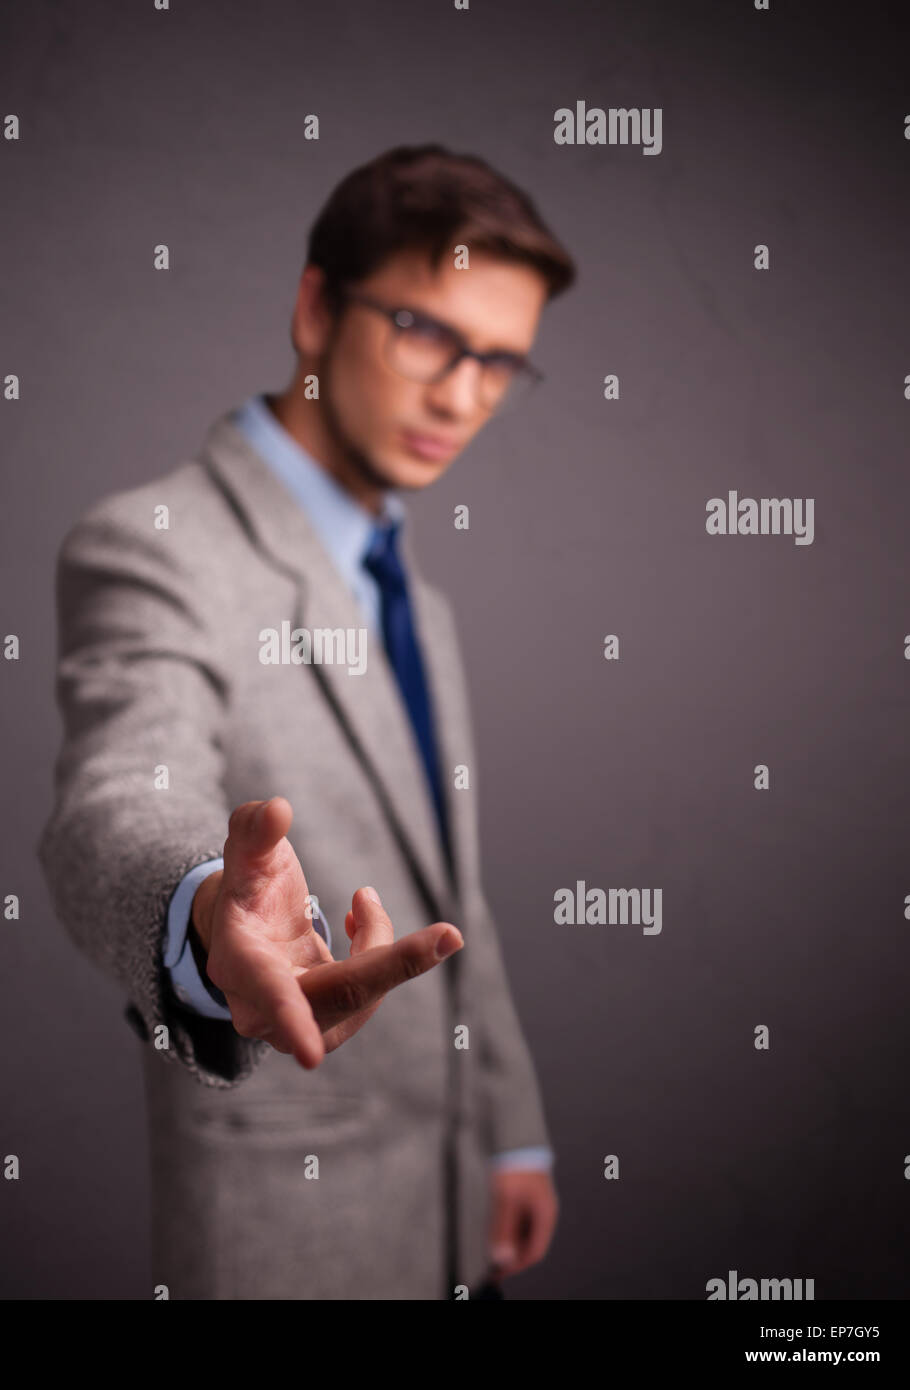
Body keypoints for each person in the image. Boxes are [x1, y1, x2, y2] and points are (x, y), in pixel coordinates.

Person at [37, 143, 577, 1299]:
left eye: (501, 363)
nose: (463, 395)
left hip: (449, 1205)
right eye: (427, 332)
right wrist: (198, 909)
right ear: (315, 305)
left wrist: (511, 1130)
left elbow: (450, 891)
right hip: (290, 1223)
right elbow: (116, 793)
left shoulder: (414, 603)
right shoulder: (158, 543)